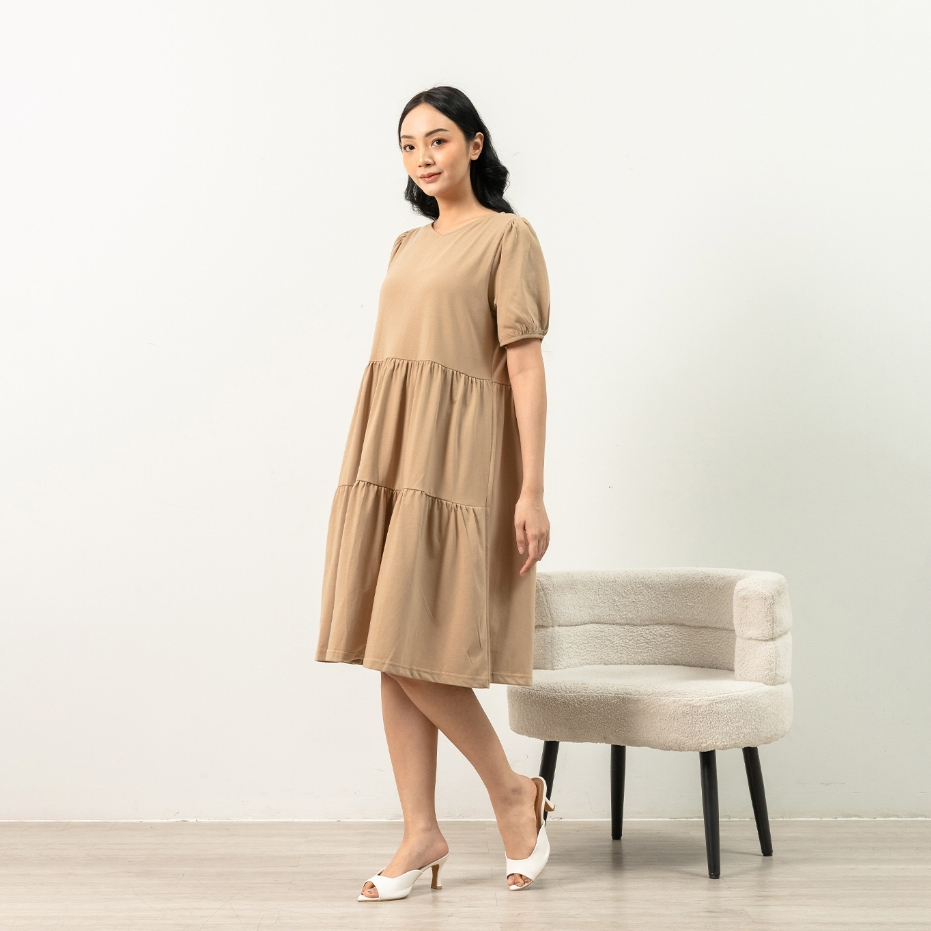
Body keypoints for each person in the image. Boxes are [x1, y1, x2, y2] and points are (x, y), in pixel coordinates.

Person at [316, 85, 553, 901]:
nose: (423, 155)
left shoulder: (508, 237)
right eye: (409, 143)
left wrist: (531, 489)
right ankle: (420, 830)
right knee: (389, 646)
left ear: (474, 145)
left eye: (439, 138)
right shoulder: (404, 245)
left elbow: (524, 366)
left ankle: (510, 791)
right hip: (390, 443)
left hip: (456, 455)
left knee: (409, 641)